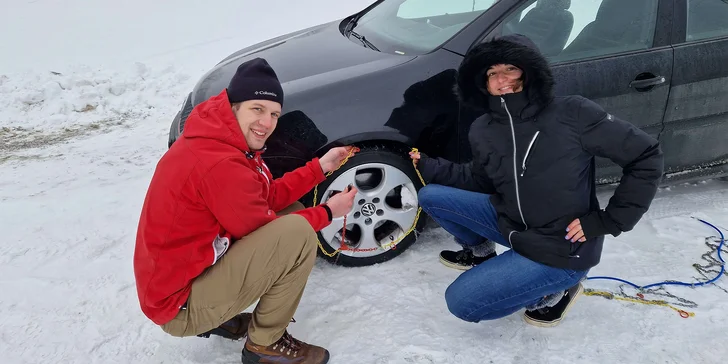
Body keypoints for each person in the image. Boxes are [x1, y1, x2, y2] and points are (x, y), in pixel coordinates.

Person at [410, 34, 664, 327]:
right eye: (492, 73)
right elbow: (480, 180)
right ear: (482, 83)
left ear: (529, 71)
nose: (501, 79)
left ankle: (558, 288)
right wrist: (428, 166)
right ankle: (480, 252)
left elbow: (645, 155)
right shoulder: (483, 128)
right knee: (431, 196)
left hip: (562, 245)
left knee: (461, 302)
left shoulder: (572, 113)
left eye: (510, 68)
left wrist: (609, 221)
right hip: (512, 223)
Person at [133, 57, 357, 364]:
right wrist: (328, 213)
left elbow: (264, 198)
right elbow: (259, 226)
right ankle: (265, 345)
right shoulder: (220, 162)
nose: (267, 122)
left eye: (274, 114)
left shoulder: (221, 141)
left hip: (182, 280)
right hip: (178, 306)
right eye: (258, 109)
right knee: (298, 233)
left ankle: (220, 315)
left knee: (291, 212)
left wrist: (319, 168)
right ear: (234, 106)